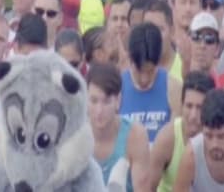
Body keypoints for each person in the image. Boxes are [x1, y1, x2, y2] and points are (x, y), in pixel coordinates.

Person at [148, 71, 216, 192]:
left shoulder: (219, 138)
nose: (193, 115)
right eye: (189, 106)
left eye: (200, 108)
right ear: (181, 105)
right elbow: (147, 187)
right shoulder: (168, 138)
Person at [88, 63, 150, 191]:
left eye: (106, 102)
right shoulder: (74, 134)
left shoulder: (135, 136)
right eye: (94, 101)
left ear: (118, 101)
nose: (99, 111)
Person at [121, 22, 180, 141]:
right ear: (130, 59)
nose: (145, 79)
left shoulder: (173, 88)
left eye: (151, 71)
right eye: (139, 71)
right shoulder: (117, 88)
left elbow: (175, 138)